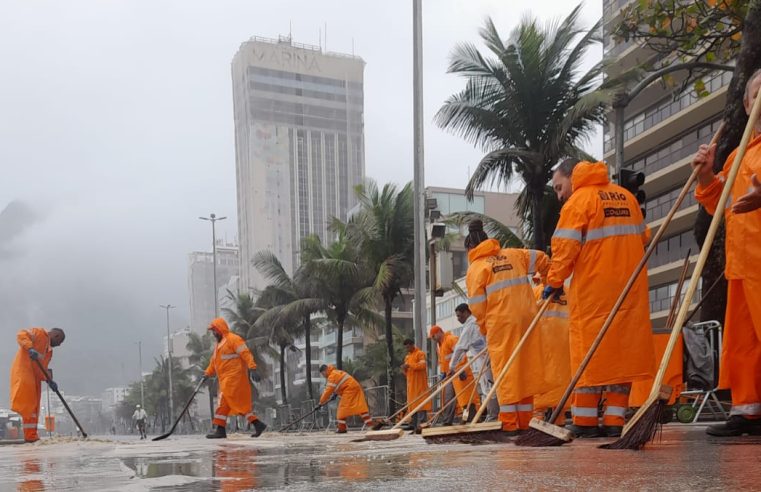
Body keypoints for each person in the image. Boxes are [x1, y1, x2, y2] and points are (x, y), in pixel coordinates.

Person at [547, 159, 655, 438]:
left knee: (588, 353)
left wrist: (554, 282)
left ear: (573, 176)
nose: (559, 195)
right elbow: (644, 236)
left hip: (595, 291)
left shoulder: (579, 202)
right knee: (621, 356)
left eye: (559, 187)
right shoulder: (627, 197)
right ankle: (614, 422)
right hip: (629, 291)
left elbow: (564, 249)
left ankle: (584, 422)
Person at [692, 68, 761, 437]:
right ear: (748, 103)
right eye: (756, 92)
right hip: (741, 264)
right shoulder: (738, 155)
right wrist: (706, 176)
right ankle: (747, 411)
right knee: (743, 343)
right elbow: (720, 204)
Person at [465, 220, 552, 435]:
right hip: (528, 320)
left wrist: (485, 328)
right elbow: (543, 258)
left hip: (501, 324)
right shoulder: (515, 254)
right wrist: (550, 282)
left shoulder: (477, 267)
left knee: (506, 372)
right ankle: (524, 422)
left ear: (470, 248)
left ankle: (510, 423)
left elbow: (477, 306)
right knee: (525, 369)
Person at [204, 318, 266, 439]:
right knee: (230, 405)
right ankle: (257, 424)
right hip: (225, 380)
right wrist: (207, 373)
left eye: (214, 330)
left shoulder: (233, 339)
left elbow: (246, 353)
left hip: (234, 378)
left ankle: (221, 430)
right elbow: (214, 363)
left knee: (226, 403)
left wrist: (252, 368)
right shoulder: (219, 345)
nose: (213, 333)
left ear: (219, 329)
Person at [9, 327, 65, 443]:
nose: (59, 345)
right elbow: (21, 334)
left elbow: (42, 369)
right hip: (24, 372)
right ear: (56, 336)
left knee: (34, 408)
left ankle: (32, 436)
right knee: (28, 405)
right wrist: (29, 348)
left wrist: (49, 380)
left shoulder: (49, 352)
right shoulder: (39, 333)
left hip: (34, 378)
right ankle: (30, 437)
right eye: (60, 342)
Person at [450, 303, 499, 421]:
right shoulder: (476, 322)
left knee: (489, 387)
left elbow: (460, 348)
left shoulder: (470, 326)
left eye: (459, 316)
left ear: (466, 312)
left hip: (485, 359)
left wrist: (451, 366)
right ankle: (492, 415)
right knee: (489, 387)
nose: (458, 319)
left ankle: (493, 416)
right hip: (486, 358)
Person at [532, 281, 572, 426]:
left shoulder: (569, 292)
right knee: (547, 382)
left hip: (556, 346)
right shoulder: (537, 292)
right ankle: (543, 419)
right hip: (550, 346)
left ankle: (553, 419)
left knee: (556, 383)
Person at [429, 326, 480, 425]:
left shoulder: (451, 339)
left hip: (459, 373)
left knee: (465, 397)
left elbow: (460, 354)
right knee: (448, 399)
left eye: (433, 336)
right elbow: (442, 361)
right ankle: (447, 421)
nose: (433, 338)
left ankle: (472, 418)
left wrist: (460, 370)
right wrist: (443, 372)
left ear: (439, 332)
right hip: (449, 375)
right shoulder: (439, 346)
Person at [319, 364, 381, 433]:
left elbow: (328, 391)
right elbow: (340, 384)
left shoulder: (331, 376)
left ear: (325, 371)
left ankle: (342, 428)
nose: (323, 376)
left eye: (322, 374)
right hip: (355, 388)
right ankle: (371, 425)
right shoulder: (336, 372)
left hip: (349, 390)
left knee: (342, 409)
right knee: (361, 408)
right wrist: (335, 394)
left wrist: (321, 402)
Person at [401, 339, 431, 432]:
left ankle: (422, 424)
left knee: (421, 404)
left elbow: (422, 366)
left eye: (408, 346)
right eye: (406, 347)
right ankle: (413, 424)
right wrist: (404, 369)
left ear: (412, 345)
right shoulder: (407, 357)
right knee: (412, 405)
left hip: (420, 384)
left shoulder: (420, 354)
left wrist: (409, 365)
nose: (407, 348)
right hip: (411, 385)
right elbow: (407, 372)